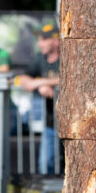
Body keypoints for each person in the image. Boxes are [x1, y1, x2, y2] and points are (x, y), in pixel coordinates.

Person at [18, 22, 61, 175]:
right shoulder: (39, 58)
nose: (40, 43)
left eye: (44, 39)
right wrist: (34, 84)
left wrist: (42, 83)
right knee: (45, 163)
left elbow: (67, 79)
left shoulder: (67, 58)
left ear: (56, 41)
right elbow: (24, 78)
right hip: (51, 121)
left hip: (70, 122)